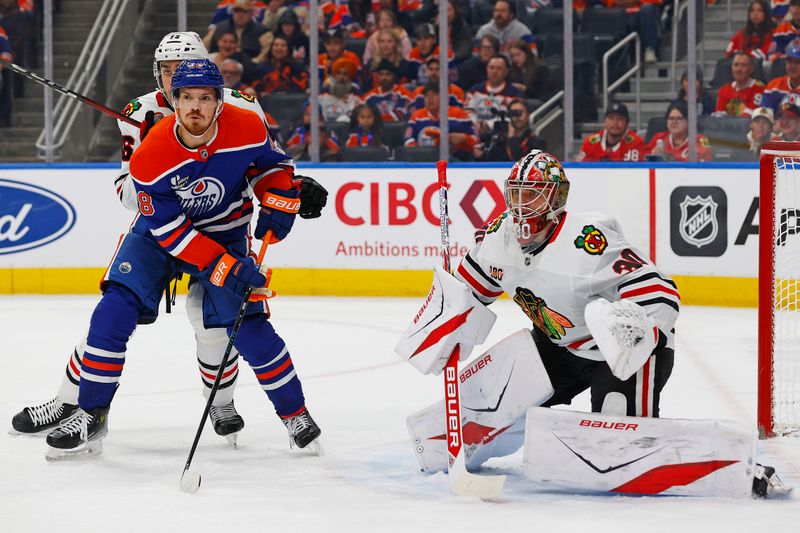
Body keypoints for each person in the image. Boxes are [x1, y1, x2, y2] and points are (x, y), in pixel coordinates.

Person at [396, 149, 784, 498]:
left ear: (555, 199)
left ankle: (736, 468)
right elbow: (467, 292)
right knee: (477, 405)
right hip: (557, 346)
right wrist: (445, 321)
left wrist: (630, 332)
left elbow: (661, 292)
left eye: (531, 193)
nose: (519, 204)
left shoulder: (588, 242)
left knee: (616, 453)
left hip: (621, 355)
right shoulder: (500, 237)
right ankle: (454, 440)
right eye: (514, 192)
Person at [10, 33, 327, 448]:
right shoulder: (140, 117)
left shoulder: (244, 111)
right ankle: (75, 405)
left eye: (192, 78)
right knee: (113, 309)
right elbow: (135, 196)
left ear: (215, 91)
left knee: (226, 325)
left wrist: (286, 193)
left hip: (224, 225)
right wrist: (159, 155)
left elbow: (263, 164)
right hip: (159, 230)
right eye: (170, 73)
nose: (179, 84)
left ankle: (225, 403)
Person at [403, 81, 479, 161]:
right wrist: (420, 152)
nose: (430, 99)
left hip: (453, 163)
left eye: (434, 95)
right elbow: (408, 139)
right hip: (423, 161)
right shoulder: (417, 116)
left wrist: (464, 138)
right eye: (426, 96)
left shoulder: (459, 115)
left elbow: (475, 139)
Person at [464, 54, 524, 137]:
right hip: (475, 132)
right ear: (487, 69)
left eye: (499, 68)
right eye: (491, 68)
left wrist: (489, 125)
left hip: (501, 135)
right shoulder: (475, 90)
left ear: (506, 72)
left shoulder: (514, 93)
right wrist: (476, 123)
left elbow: (514, 118)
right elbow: (467, 111)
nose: (494, 71)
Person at [478, 97, 547, 161]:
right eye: (513, 113)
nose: (516, 117)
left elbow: (521, 163)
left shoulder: (536, 142)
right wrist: (480, 156)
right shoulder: (502, 140)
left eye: (519, 113)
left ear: (528, 114)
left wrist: (512, 138)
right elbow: (491, 163)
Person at [577, 101, 646, 162]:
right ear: (605, 121)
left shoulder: (636, 143)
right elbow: (577, 168)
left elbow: (634, 173)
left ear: (627, 122)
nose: (615, 123)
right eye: (611, 118)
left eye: (620, 119)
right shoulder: (590, 142)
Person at [646, 101, 714, 161]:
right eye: (671, 118)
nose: (674, 122)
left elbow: (700, 166)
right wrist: (653, 156)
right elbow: (644, 159)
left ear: (688, 121)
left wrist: (667, 157)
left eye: (679, 118)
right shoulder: (659, 138)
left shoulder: (700, 141)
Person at [713, 52, 765, 117]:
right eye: (736, 65)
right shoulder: (723, 89)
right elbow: (719, 115)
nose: (738, 69)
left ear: (751, 69)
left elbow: (749, 116)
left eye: (743, 65)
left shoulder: (759, 88)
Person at [319, 56, 363, 122]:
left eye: (345, 74)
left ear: (350, 78)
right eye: (338, 73)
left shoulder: (356, 99)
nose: (341, 77)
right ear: (333, 75)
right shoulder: (321, 96)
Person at [762, 41, 800, 112]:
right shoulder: (773, 87)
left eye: (798, 62)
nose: (792, 66)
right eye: (789, 61)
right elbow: (765, 116)